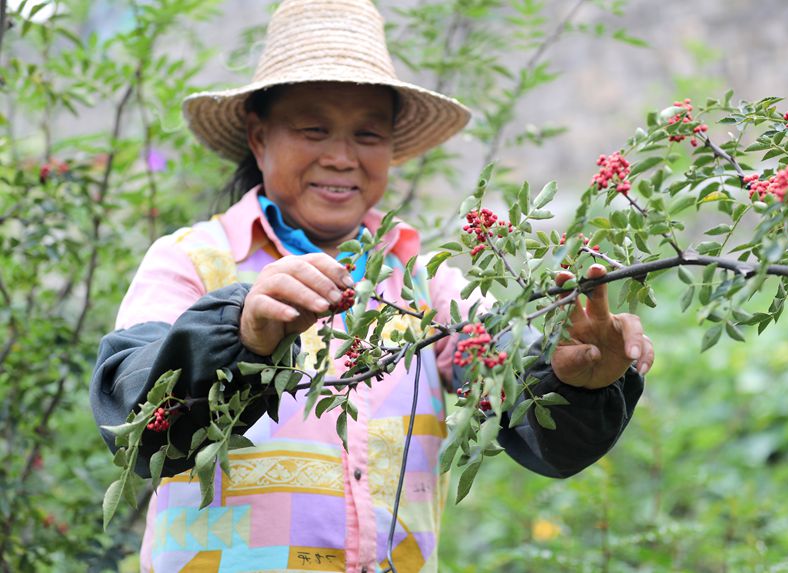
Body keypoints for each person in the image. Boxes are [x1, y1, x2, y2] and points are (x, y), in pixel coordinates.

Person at [89, 1, 654, 571]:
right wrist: (244, 335)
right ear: (259, 139)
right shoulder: (192, 261)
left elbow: (519, 400)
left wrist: (571, 383)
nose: (341, 157)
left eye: (367, 134)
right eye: (313, 130)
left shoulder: (427, 284)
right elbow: (139, 424)